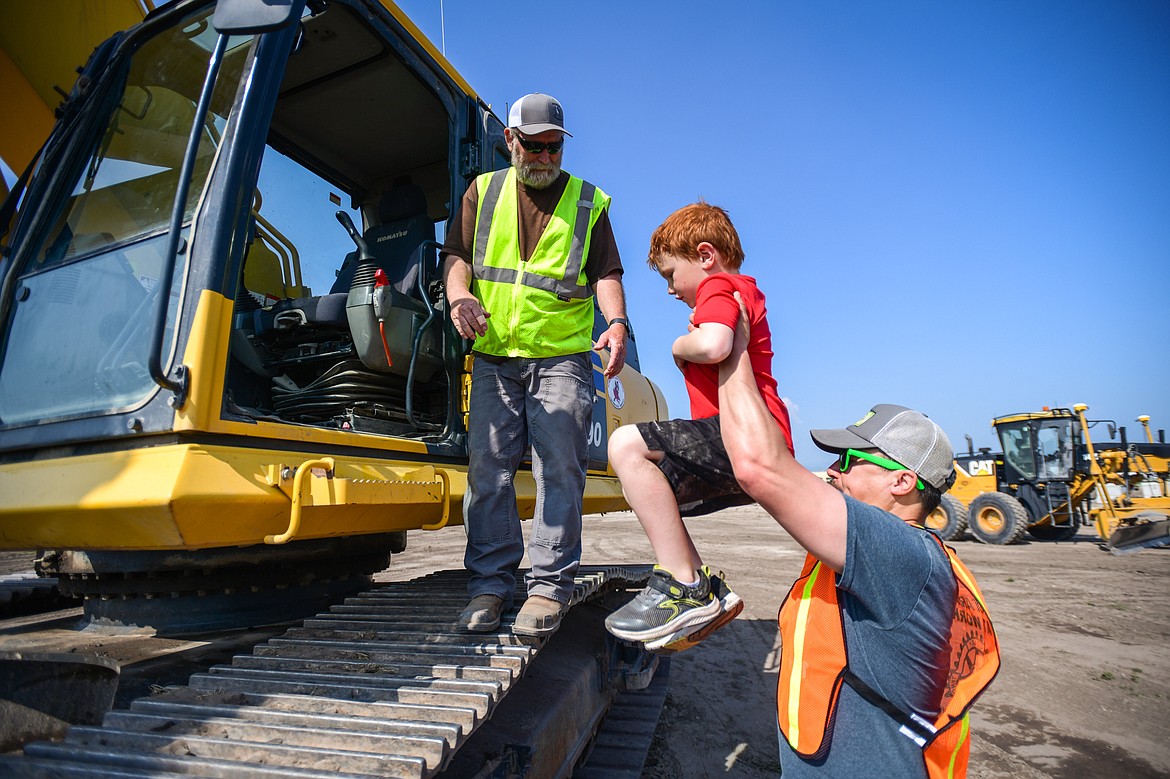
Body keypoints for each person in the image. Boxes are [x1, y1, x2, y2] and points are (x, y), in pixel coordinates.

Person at [716, 295, 999, 778]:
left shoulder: (903, 554)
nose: (832, 469)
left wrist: (732, 349)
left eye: (850, 460)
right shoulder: (893, 553)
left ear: (902, 482)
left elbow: (761, 469)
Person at [441, 93, 629, 637]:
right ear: (511, 142)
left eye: (554, 148)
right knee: (488, 473)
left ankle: (548, 587)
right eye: (534, 146)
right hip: (495, 355)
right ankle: (489, 586)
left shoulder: (588, 202)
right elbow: (457, 256)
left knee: (558, 471)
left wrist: (616, 324)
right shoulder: (483, 191)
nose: (545, 157)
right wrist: (458, 298)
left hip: (561, 357)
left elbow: (607, 274)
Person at [603, 202, 793, 651]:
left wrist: (680, 345)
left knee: (626, 445)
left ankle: (682, 586)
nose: (669, 289)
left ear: (705, 256)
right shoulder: (740, 289)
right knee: (651, 485)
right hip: (749, 435)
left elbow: (714, 344)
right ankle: (705, 588)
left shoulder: (720, 286)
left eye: (670, 274)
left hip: (745, 432)